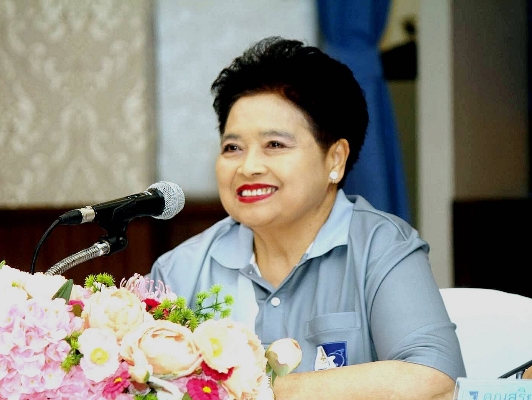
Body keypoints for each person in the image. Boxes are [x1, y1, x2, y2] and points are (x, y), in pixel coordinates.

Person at [149, 36, 465, 399]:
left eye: (275, 145)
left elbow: (438, 379)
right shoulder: (181, 270)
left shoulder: (381, 248)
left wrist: (260, 389)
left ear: (335, 159)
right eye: (233, 147)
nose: (248, 167)